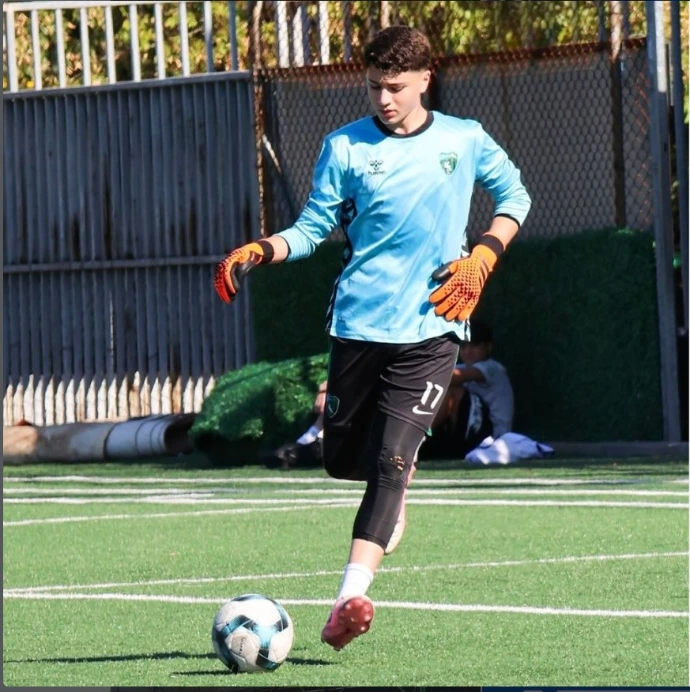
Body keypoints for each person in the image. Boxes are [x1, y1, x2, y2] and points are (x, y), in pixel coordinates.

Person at [214, 25, 531, 651]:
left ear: (425, 79)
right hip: (358, 325)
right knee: (341, 461)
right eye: (374, 86)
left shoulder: (464, 138)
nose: (384, 98)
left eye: (395, 86)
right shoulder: (344, 147)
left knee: (390, 462)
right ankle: (393, 484)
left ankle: (348, 600)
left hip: (434, 327)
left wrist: (484, 256)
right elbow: (311, 228)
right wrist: (262, 249)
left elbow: (514, 197)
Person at [419, 319, 515, 461]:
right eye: (463, 346)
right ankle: (420, 442)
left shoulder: (493, 368)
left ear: (488, 347)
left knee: (449, 389)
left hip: (494, 440)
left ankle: (415, 438)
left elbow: (449, 377)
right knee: (435, 387)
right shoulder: (462, 367)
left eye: (474, 345)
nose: (468, 351)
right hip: (469, 434)